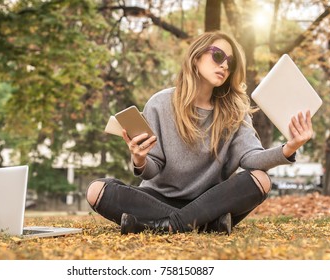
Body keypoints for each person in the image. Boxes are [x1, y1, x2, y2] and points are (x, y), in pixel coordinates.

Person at [86, 30, 313, 235]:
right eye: (217, 56)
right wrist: (139, 159)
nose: (224, 65)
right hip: (158, 199)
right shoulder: (160, 103)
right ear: (196, 58)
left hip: (209, 202)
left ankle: (164, 225)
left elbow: (251, 158)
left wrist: (289, 147)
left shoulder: (235, 111)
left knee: (261, 180)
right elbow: (151, 171)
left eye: (230, 62)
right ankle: (204, 225)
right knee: (96, 190)